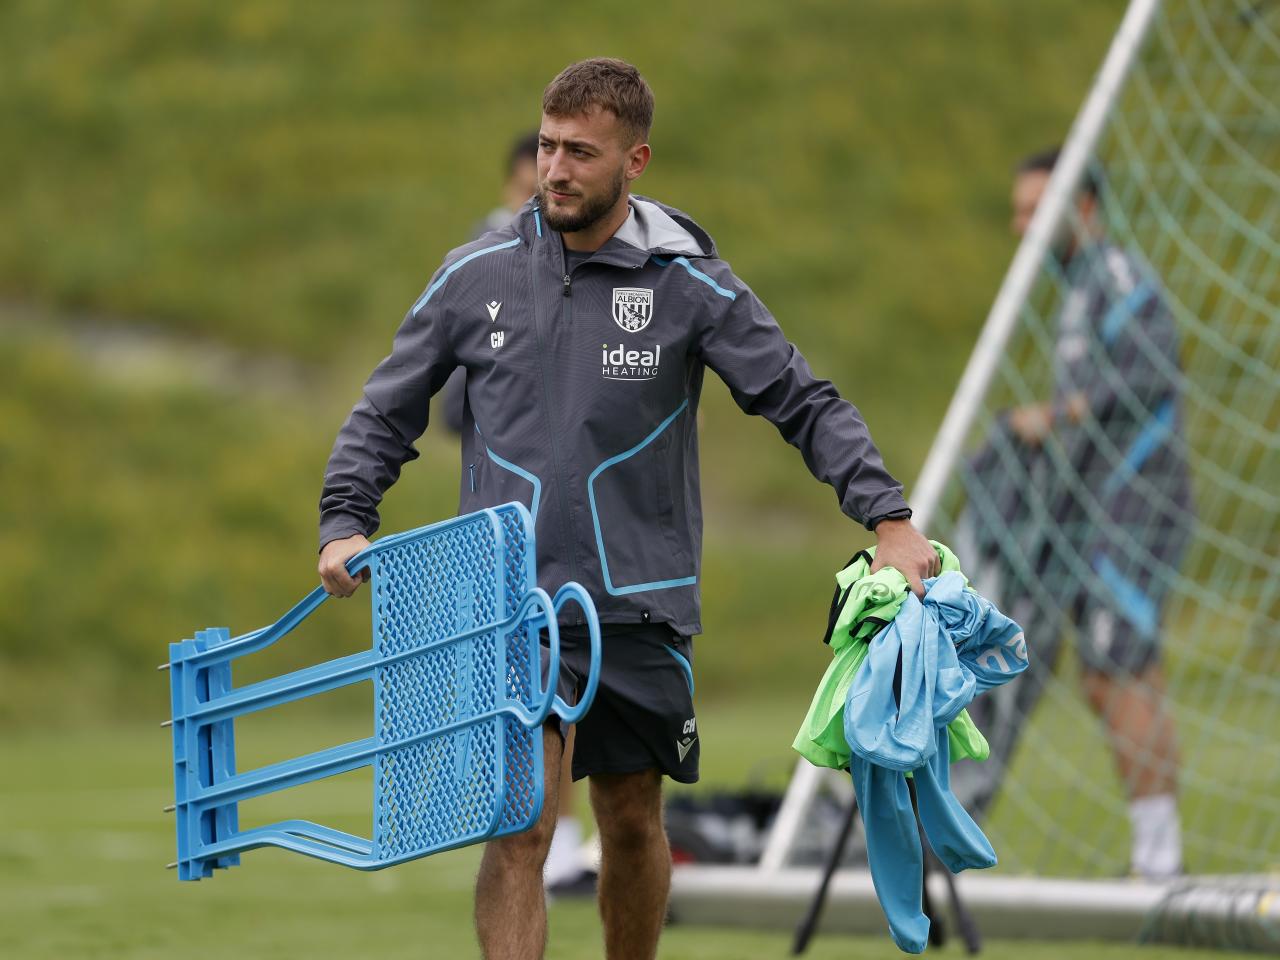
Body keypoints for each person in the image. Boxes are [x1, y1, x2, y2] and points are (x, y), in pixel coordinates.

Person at [317, 58, 937, 960]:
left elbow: (801, 401)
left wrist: (889, 519)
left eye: (580, 152)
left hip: (640, 600)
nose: (554, 169)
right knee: (523, 824)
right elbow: (385, 409)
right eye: (546, 146)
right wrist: (346, 517)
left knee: (633, 821)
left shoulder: (688, 282)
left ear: (634, 161)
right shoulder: (475, 274)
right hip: (511, 602)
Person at [956, 147, 1192, 880]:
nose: (1021, 225)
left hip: (1137, 504)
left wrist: (1057, 415)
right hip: (1096, 510)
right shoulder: (1079, 287)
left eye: (1036, 210)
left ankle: (1160, 861)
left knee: (1120, 670)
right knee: (1105, 675)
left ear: (1081, 207)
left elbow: (1153, 371)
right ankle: (1156, 852)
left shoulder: (1115, 275)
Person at [439, 132, 541, 436]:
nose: (534, 205)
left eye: (544, 193)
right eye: (527, 191)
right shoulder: (478, 260)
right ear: (508, 188)